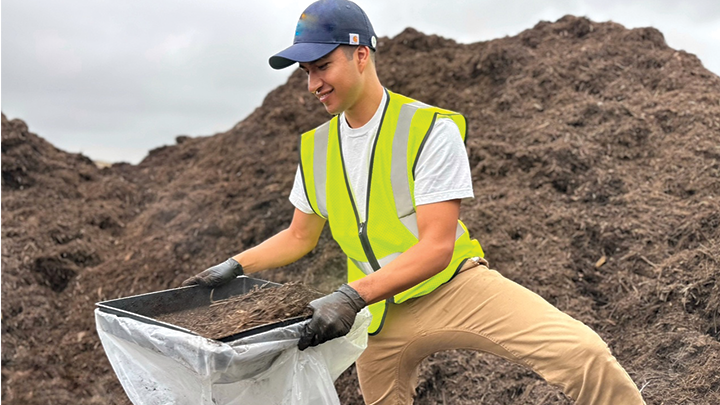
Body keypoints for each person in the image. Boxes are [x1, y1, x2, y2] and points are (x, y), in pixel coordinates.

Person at [182, 1, 646, 404]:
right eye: (306, 73)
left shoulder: (428, 129)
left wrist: (348, 296)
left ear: (360, 54)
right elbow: (299, 235)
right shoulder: (316, 147)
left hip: (453, 290)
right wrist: (233, 265)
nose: (312, 85)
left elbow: (437, 246)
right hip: (376, 314)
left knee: (582, 355)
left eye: (321, 67)